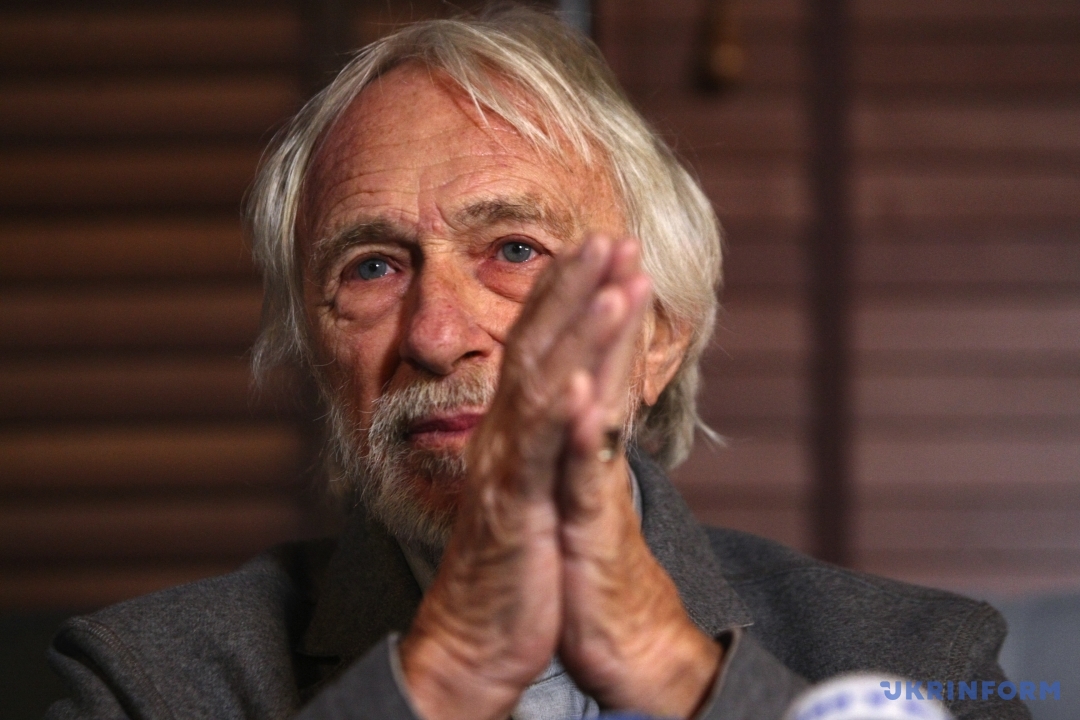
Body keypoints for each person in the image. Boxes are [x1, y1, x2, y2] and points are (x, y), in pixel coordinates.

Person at [46, 8, 1028, 720]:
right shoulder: (143, 682)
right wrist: (445, 675)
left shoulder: (916, 659)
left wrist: (677, 675)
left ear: (657, 338)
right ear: (316, 350)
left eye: (515, 250)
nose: (437, 335)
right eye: (373, 266)